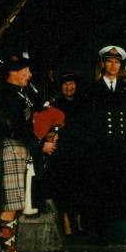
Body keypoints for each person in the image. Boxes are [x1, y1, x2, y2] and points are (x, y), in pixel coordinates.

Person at [0, 55, 56, 252]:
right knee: (11, 204)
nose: (30, 75)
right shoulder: (7, 95)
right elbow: (18, 127)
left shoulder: (18, 93)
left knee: (14, 204)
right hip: (11, 149)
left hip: (19, 149)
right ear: (13, 72)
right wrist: (40, 144)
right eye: (26, 70)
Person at [85, 44, 126, 244]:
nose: (113, 65)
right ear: (102, 63)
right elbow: (89, 122)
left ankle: (119, 233)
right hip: (101, 148)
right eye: (109, 61)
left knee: (120, 190)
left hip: (120, 147)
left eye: (117, 62)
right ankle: (101, 234)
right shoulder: (93, 89)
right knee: (101, 190)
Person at [49, 72, 87, 238]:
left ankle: (78, 222)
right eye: (65, 84)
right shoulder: (55, 105)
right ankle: (66, 223)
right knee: (64, 187)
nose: (68, 87)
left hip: (80, 152)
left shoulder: (83, 103)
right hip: (62, 153)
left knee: (80, 187)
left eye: (71, 84)